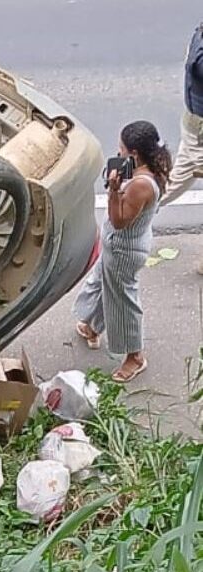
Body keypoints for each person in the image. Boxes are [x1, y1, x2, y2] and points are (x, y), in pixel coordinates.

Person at [72, 121, 172, 383]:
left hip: (125, 250)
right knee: (102, 284)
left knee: (122, 302)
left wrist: (114, 190)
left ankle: (135, 357)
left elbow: (119, 221)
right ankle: (91, 327)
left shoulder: (140, 184)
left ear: (135, 154)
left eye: (122, 149)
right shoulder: (152, 166)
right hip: (118, 246)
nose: (119, 154)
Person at [159, 23, 203, 274]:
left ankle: (130, 210)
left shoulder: (198, 35)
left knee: (176, 180)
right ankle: (128, 211)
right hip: (200, 132)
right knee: (176, 181)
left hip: (194, 123)